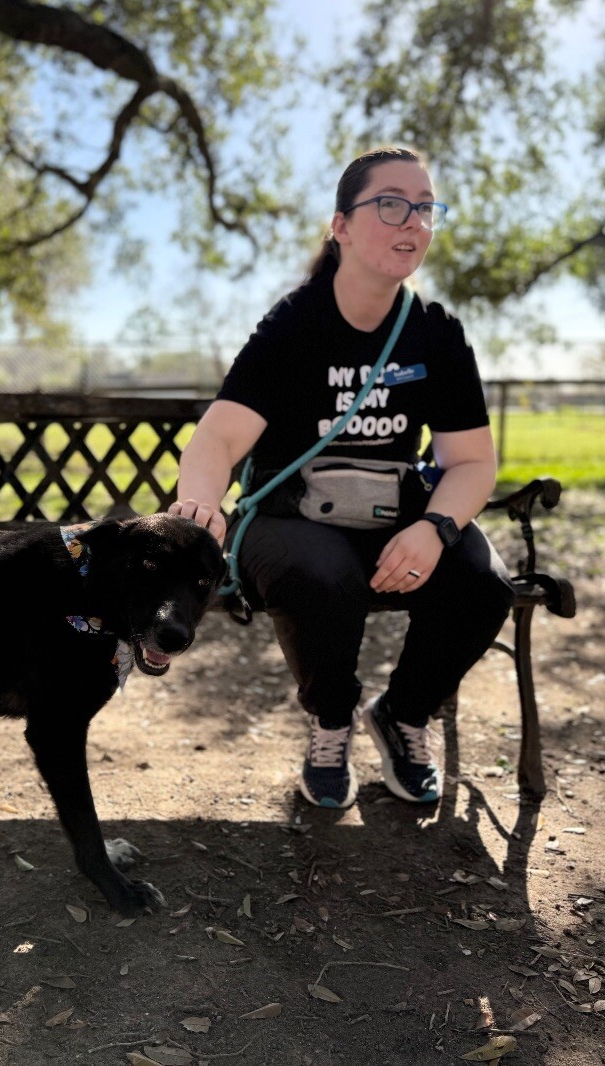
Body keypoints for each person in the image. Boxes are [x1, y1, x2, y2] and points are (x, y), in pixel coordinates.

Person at [169, 145, 514, 810]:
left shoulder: (436, 334)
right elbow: (219, 436)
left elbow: (471, 462)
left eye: (424, 208)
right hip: (293, 521)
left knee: (482, 583)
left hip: (394, 514)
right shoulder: (294, 325)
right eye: (390, 204)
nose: (411, 221)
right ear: (342, 227)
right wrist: (199, 502)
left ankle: (403, 715)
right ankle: (331, 721)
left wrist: (437, 529)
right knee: (321, 577)